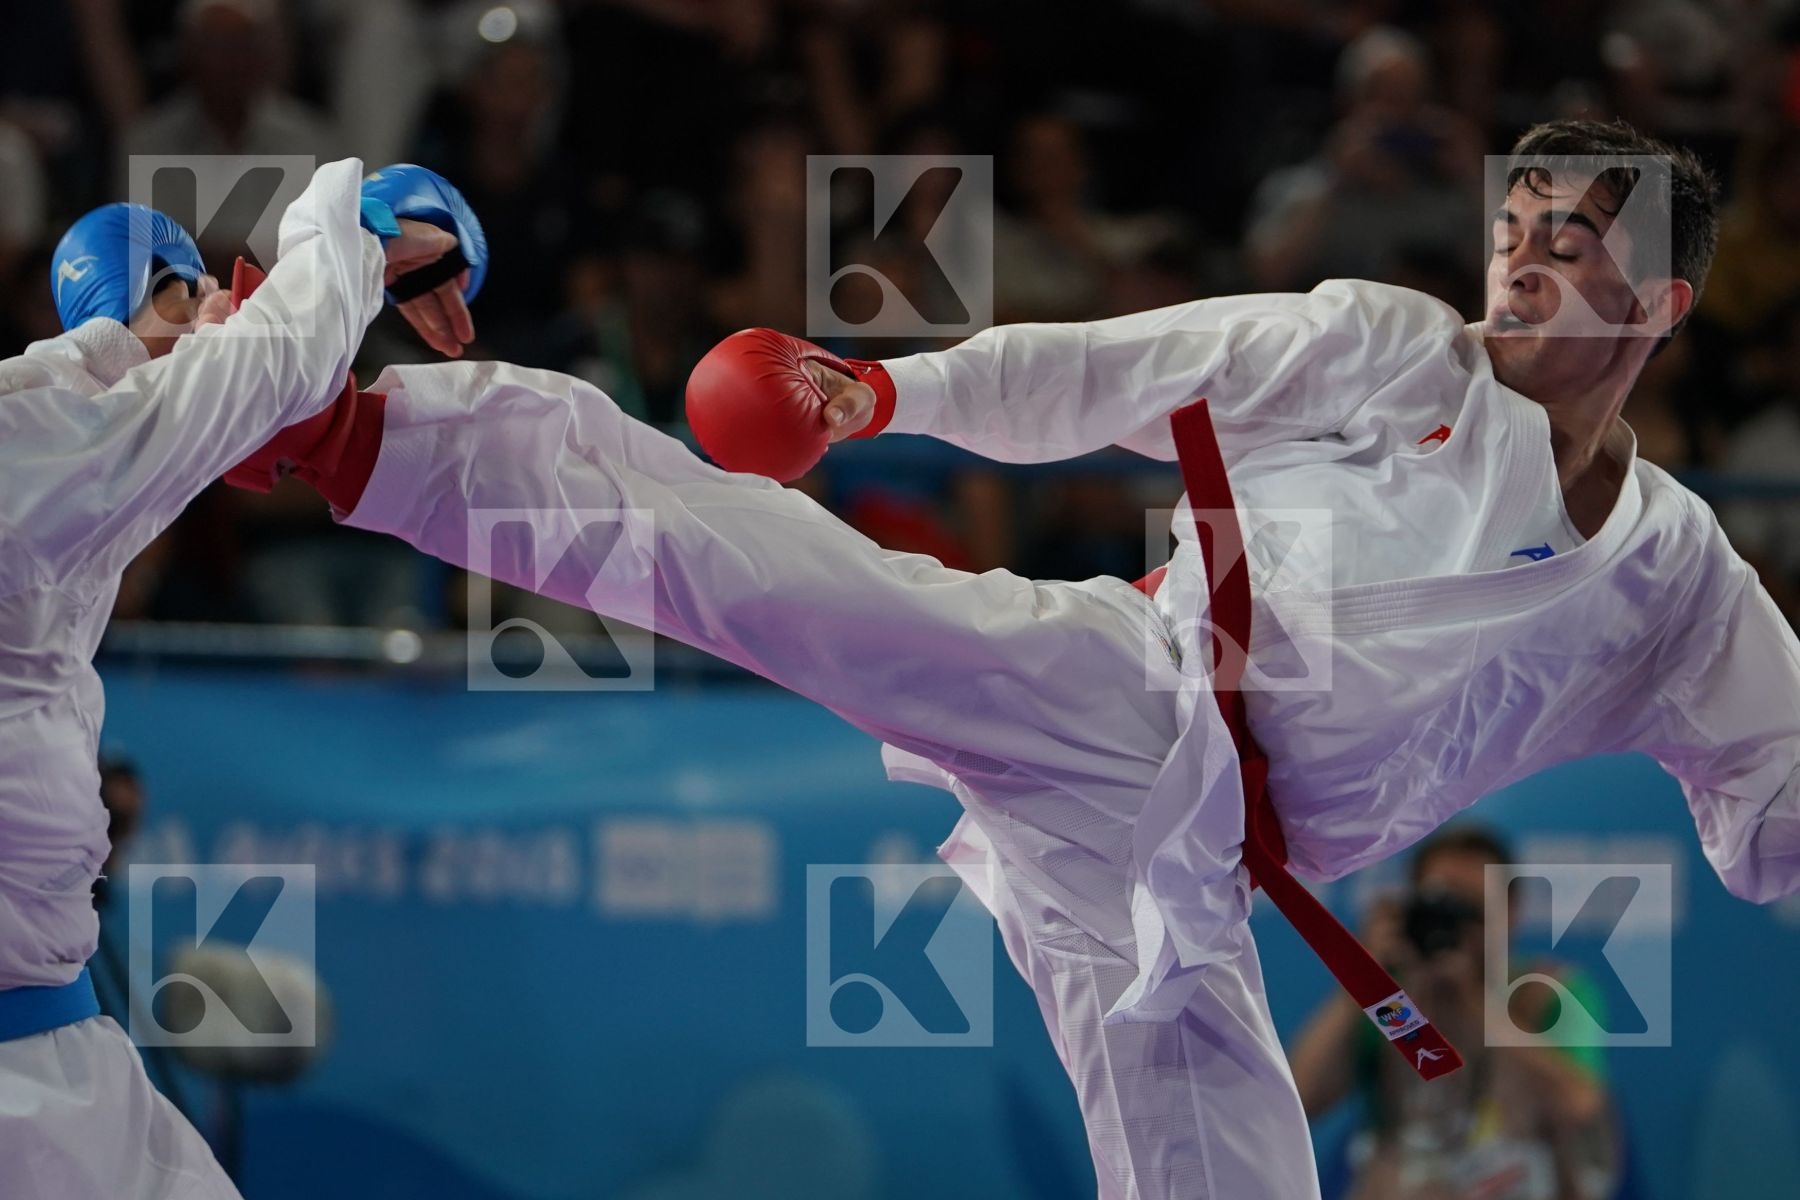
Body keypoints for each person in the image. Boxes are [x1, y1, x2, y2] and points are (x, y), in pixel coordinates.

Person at [236, 118, 1800, 1200]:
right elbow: (1122, 366)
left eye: (1573, 243)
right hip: (1128, 692)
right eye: (1513, 229)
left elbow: (1780, 808)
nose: (1521, 260)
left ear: (1662, 301)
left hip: (1184, 887)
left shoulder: (1677, 583)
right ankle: (349, 427)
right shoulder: (1396, 348)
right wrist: (880, 399)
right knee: (780, 582)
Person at [0, 162, 474, 1199]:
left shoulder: (42, 426)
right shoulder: (41, 445)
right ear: (159, 299)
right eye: (194, 296)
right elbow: (270, 362)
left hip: (52, 1050)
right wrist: (355, 224)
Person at [1289, 826, 1620, 1200]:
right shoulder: (1394, 1003)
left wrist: (1473, 1001)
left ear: (1512, 911)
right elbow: (1300, 1099)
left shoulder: (1547, 993)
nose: (1456, 925)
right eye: (1441, 904)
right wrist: (1363, 977)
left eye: (1472, 910)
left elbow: (1577, 1106)